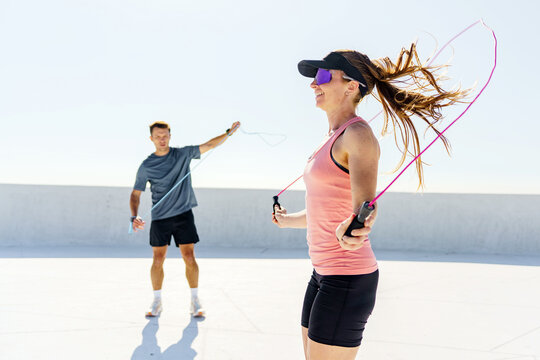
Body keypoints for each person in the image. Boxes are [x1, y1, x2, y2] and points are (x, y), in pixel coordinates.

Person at [272, 47, 468, 359]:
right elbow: (326, 209)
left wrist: (358, 226)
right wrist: (288, 220)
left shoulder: (357, 134)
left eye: (323, 76)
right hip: (321, 274)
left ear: (351, 86)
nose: (313, 84)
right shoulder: (331, 136)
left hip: (347, 278)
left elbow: (364, 206)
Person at [130, 120, 240, 317]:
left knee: (189, 257)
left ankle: (195, 301)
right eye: (157, 136)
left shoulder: (182, 154)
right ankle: (156, 301)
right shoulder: (146, 165)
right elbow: (135, 194)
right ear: (151, 139)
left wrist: (227, 133)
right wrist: (134, 215)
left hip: (183, 214)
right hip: (160, 218)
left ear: (170, 136)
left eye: (165, 135)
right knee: (158, 259)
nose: (161, 139)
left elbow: (209, 145)